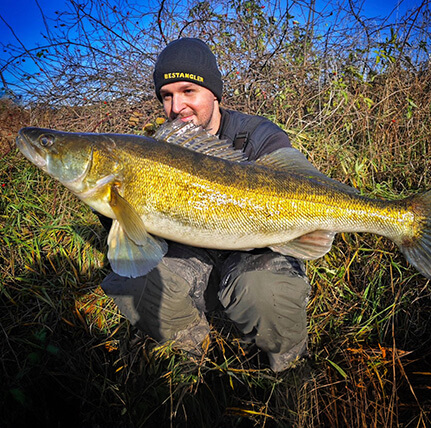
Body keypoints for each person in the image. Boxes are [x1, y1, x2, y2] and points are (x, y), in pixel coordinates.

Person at [101, 38, 311, 372]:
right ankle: (189, 346)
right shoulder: (152, 148)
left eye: (188, 91)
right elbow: (138, 235)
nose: (176, 107)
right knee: (129, 281)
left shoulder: (258, 136)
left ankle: (288, 362)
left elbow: (298, 188)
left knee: (263, 291)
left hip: (255, 254)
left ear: (214, 93)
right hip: (191, 255)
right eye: (166, 96)